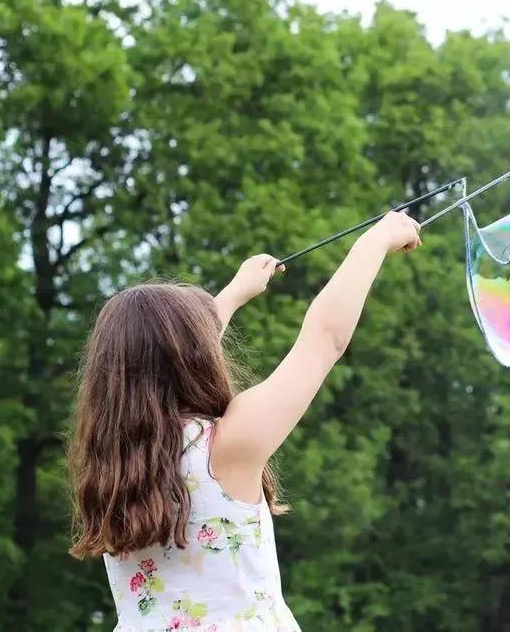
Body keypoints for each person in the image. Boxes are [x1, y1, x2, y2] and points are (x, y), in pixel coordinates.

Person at [67, 211, 422, 631]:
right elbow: (325, 337)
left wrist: (234, 293)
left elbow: (164, 357)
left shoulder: (112, 466)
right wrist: (375, 240)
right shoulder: (224, 447)